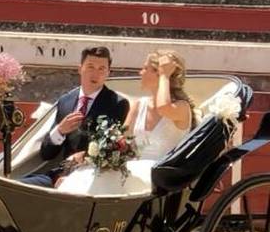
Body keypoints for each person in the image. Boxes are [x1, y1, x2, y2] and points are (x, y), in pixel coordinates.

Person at [56, 51, 195, 195]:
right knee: (83, 179)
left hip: (160, 178)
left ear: (158, 74)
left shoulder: (181, 108)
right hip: (131, 170)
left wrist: (165, 75)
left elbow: (163, 107)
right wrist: (88, 158)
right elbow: (120, 144)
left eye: (145, 68)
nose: (140, 72)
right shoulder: (138, 105)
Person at [20, 46, 130, 187]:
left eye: (101, 69)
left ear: (108, 73)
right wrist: (60, 131)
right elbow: (47, 154)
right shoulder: (66, 101)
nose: (95, 74)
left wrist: (75, 175)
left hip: (93, 177)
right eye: (90, 67)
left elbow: (111, 149)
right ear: (80, 69)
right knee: (17, 187)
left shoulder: (117, 103)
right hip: (60, 172)